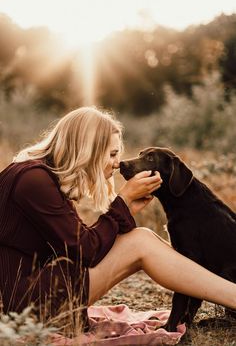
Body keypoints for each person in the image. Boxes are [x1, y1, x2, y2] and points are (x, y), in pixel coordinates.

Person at [0, 106, 236, 331]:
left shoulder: (38, 176)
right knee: (140, 242)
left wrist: (125, 209)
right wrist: (121, 204)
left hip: (38, 294)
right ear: (87, 148)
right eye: (112, 154)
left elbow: (79, 245)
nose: (116, 163)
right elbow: (86, 250)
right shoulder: (34, 180)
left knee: (140, 239)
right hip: (32, 304)